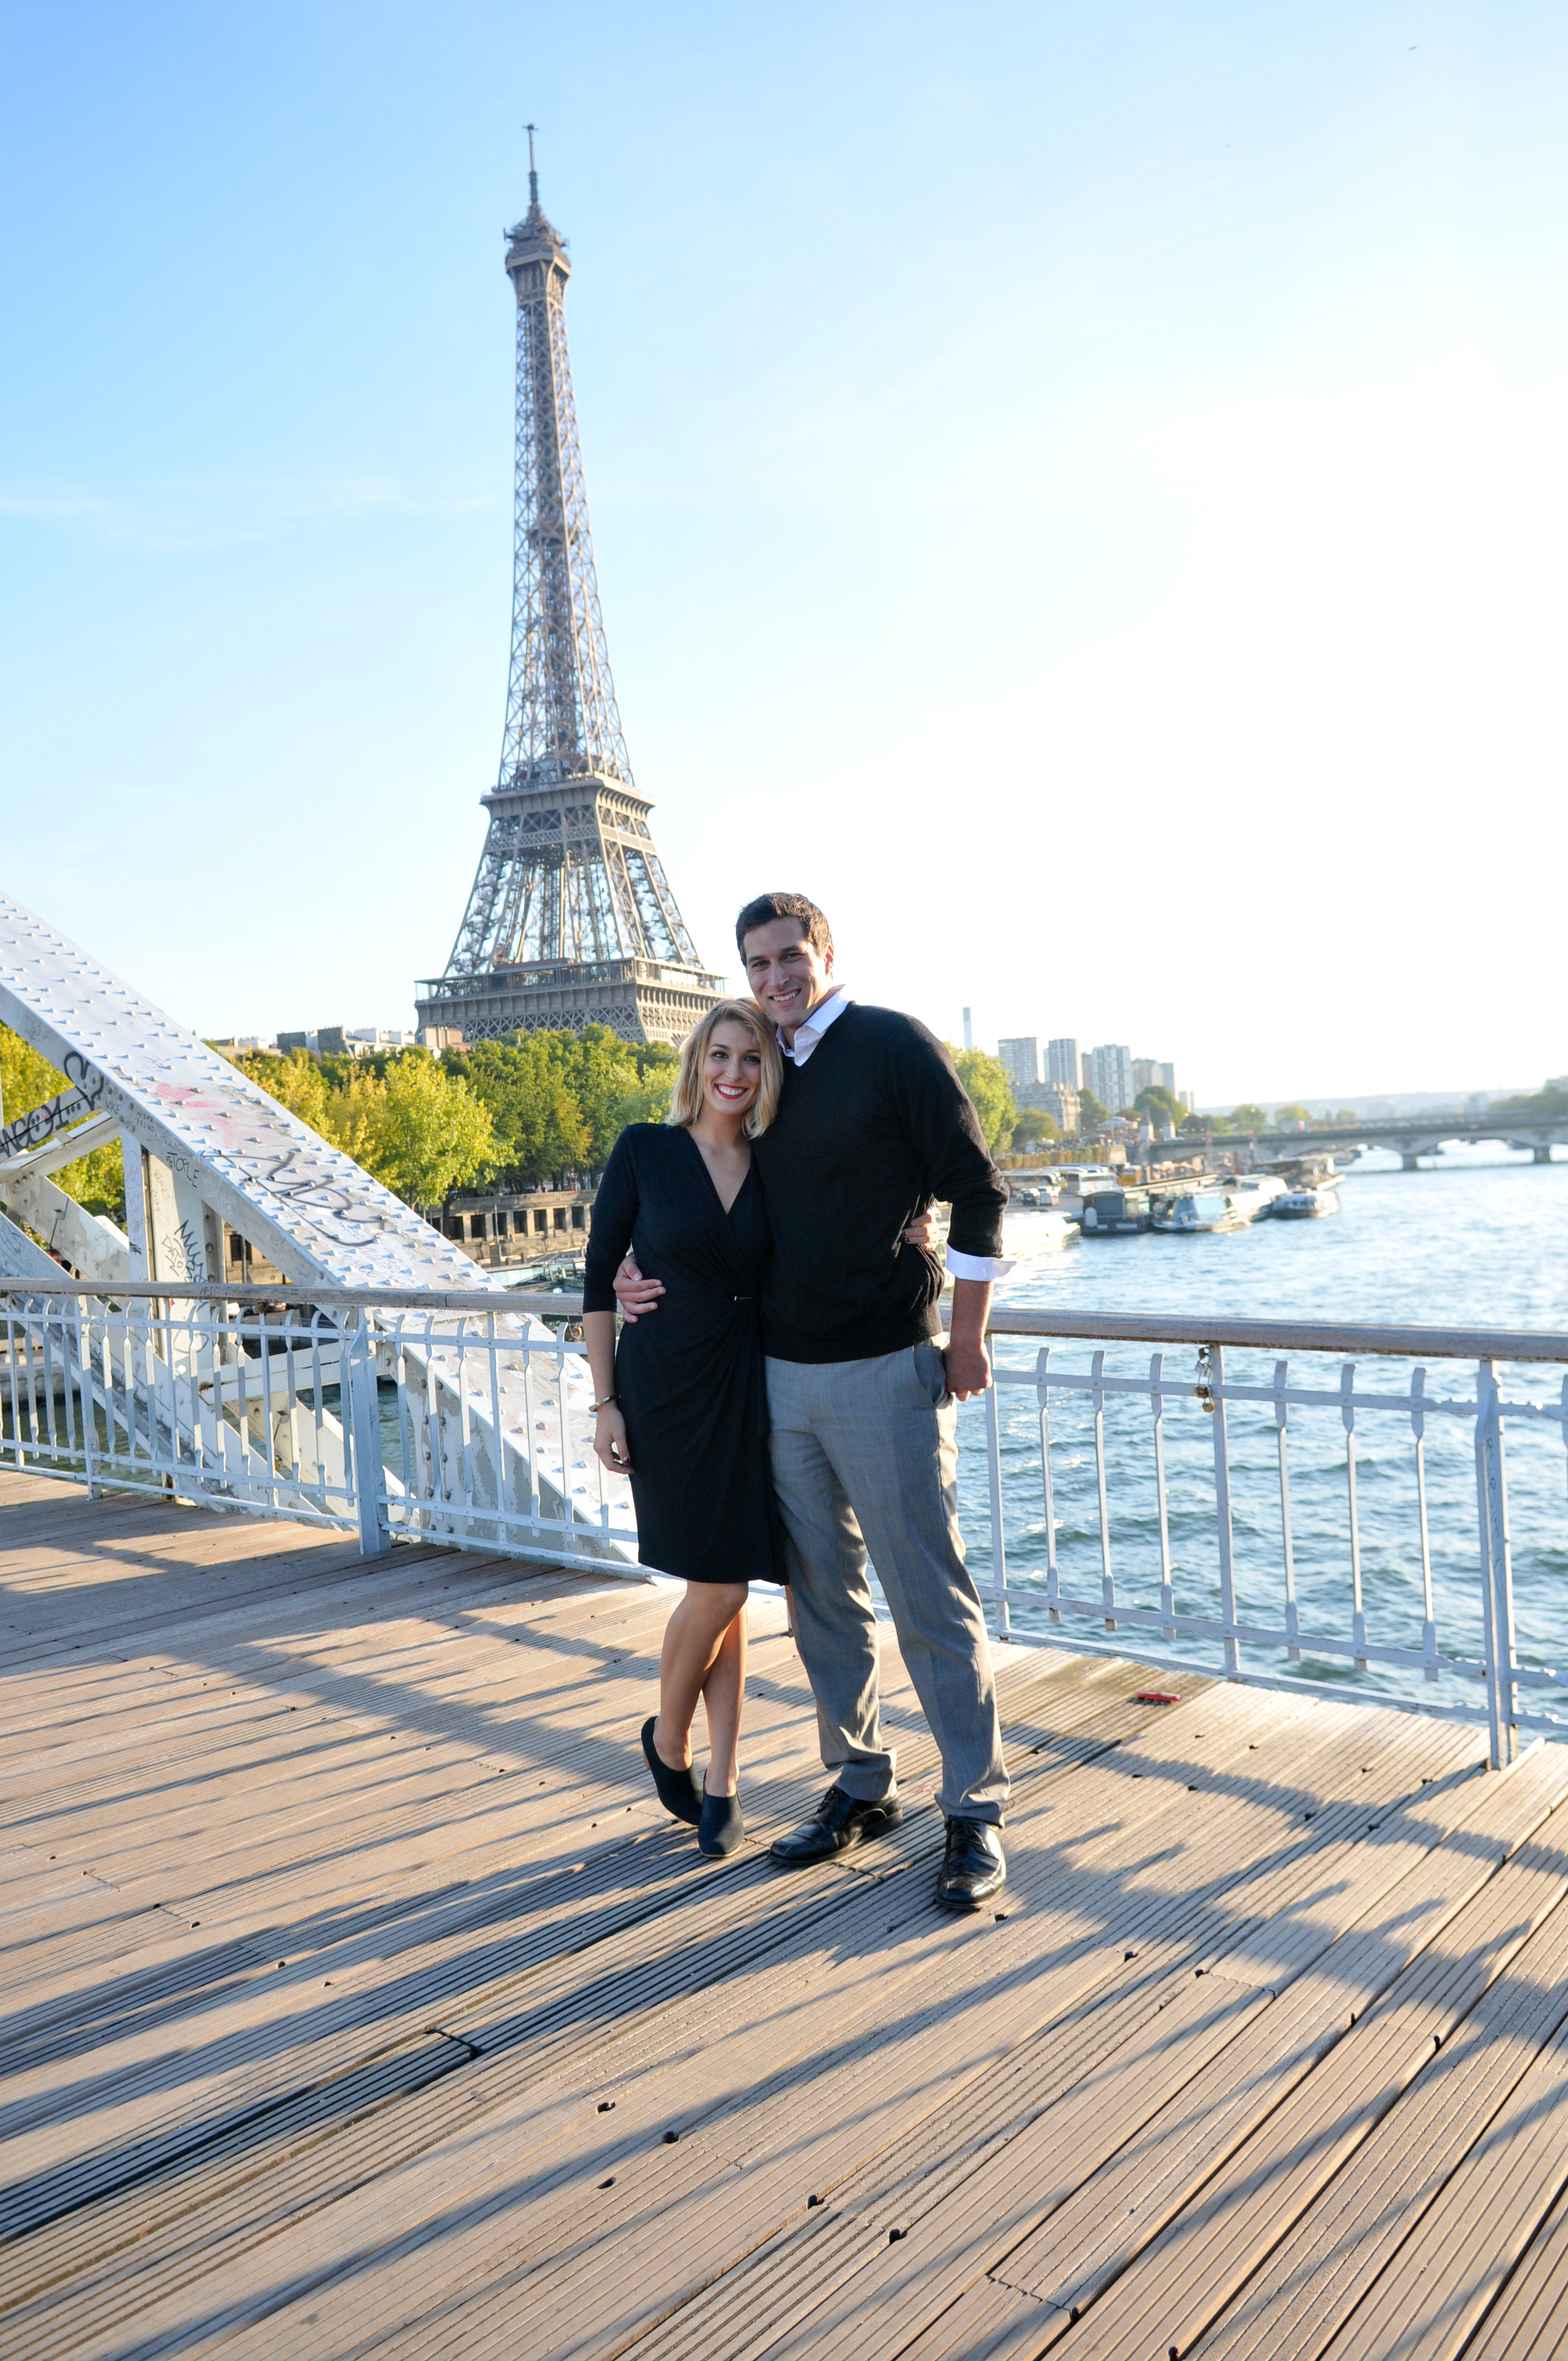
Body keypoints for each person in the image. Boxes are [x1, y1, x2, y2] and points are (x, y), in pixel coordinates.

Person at [615, 892, 1014, 1911]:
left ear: (826, 955)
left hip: (886, 1366)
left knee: (927, 1596)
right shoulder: (761, 1073)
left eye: (792, 957)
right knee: (821, 1602)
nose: (777, 977)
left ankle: (974, 1808)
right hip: (778, 1382)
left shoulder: (890, 1047)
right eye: (758, 964)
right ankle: (861, 1781)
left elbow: (976, 1185)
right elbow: (694, 1201)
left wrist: (966, 1332)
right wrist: (627, 1274)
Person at [583, 1000, 782, 1860]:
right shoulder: (645, 1149)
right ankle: (673, 1746)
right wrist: (605, 1403)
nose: (734, 1074)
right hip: (665, 1389)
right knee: (722, 1589)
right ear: (697, 1062)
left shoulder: (778, 1163)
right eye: (720, 1056)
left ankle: (723, 1779)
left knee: (729, 1588)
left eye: (751, 1060)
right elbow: (597, 1284)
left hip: (751, 1389)